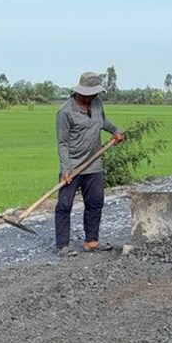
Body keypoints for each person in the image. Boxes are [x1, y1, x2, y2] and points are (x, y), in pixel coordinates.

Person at [55, 71, 124, 256]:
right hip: (73, 166)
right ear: (80, 91)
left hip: (93, 164)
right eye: (90, 93)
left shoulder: (97, 104)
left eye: (95, 93)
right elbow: (62, 143)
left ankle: (91, 241)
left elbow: (102, 121)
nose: (93, 96)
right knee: (64, 205)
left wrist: (115, 131)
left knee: (95, 202)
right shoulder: (65, 112)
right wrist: (65, 169)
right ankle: (63, 246)